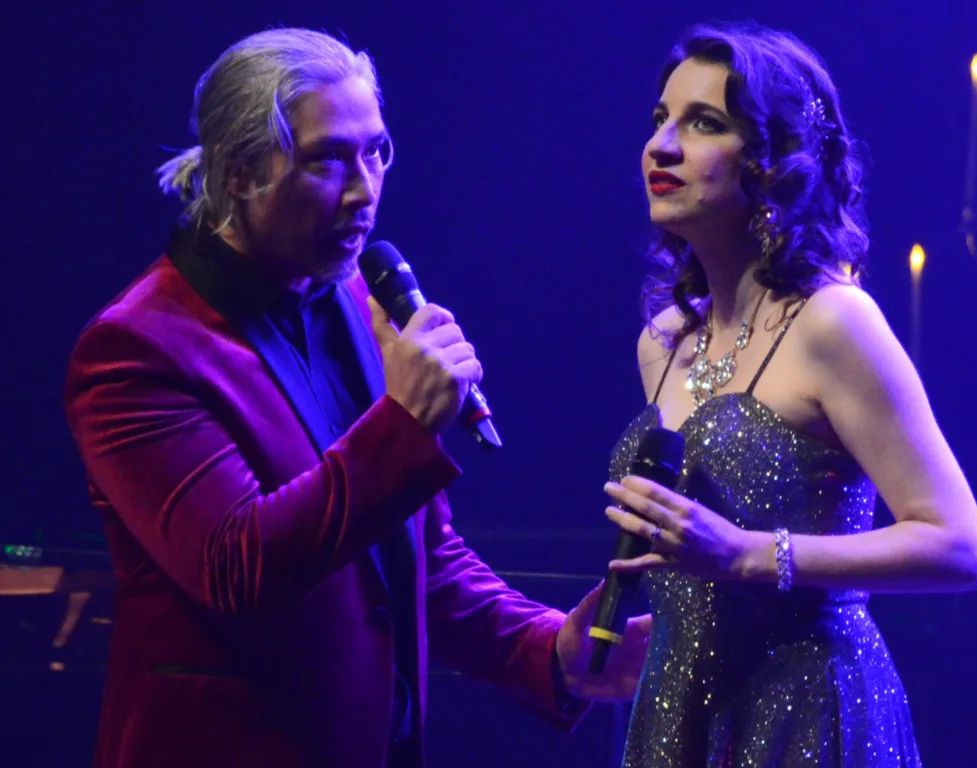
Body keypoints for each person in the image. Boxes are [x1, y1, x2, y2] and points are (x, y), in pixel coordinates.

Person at [63, 27, 649, 768]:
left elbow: (418, 556)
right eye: (328, 160)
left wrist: (547, 647)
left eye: (376, 152)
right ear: (239, 172)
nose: (364, 190)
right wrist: (402, 424)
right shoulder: (138, 348)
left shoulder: (351, 305)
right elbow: (237, 565)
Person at [598, 22, 977, 768]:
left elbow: (960, 546)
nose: (661, 146)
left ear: (774, 161)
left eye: (703, 123)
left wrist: (751, 554)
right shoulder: (663, 341)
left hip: (809, 713)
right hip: (680, 706)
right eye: (660, 119)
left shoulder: (832, 321)